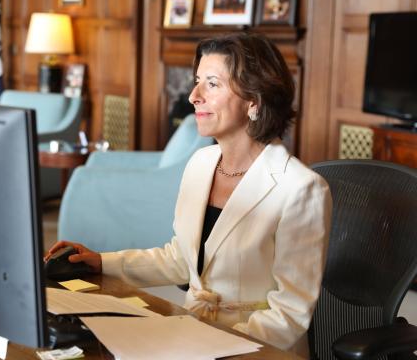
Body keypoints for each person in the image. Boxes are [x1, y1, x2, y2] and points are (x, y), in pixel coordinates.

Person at [45, 32, 332, 356]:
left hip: (258, 349)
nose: (193, 95)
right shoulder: (201, 163)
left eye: (212, 83)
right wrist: (101, 262)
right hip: (192, 331)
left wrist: (211, 344)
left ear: (254, 100)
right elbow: (181, 259)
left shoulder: (302, 189)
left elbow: (289, 315)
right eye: (197, 82)